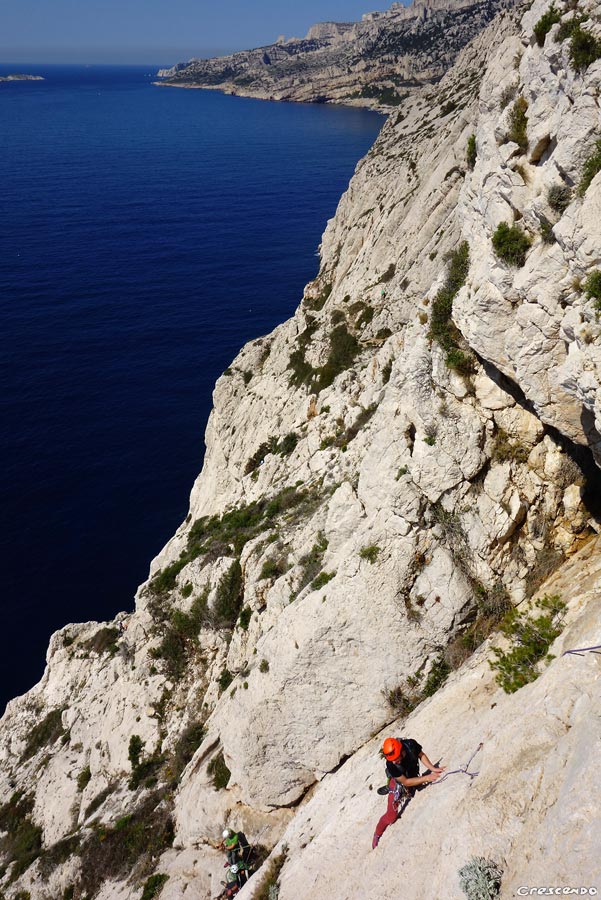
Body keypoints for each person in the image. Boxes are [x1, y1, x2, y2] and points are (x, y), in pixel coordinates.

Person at [372, 737, 445, 849]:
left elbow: (421, 755)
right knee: (391, 816)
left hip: (411, 775)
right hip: (400, 782)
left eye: (396, 758)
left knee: (413, 787)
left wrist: (432, 768)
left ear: (402, 751)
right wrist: (427, 777)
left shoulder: (410, 744)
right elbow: (405, 782)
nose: (394, 761)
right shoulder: (391, 764)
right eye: (392, 759)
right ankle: (377, 834)